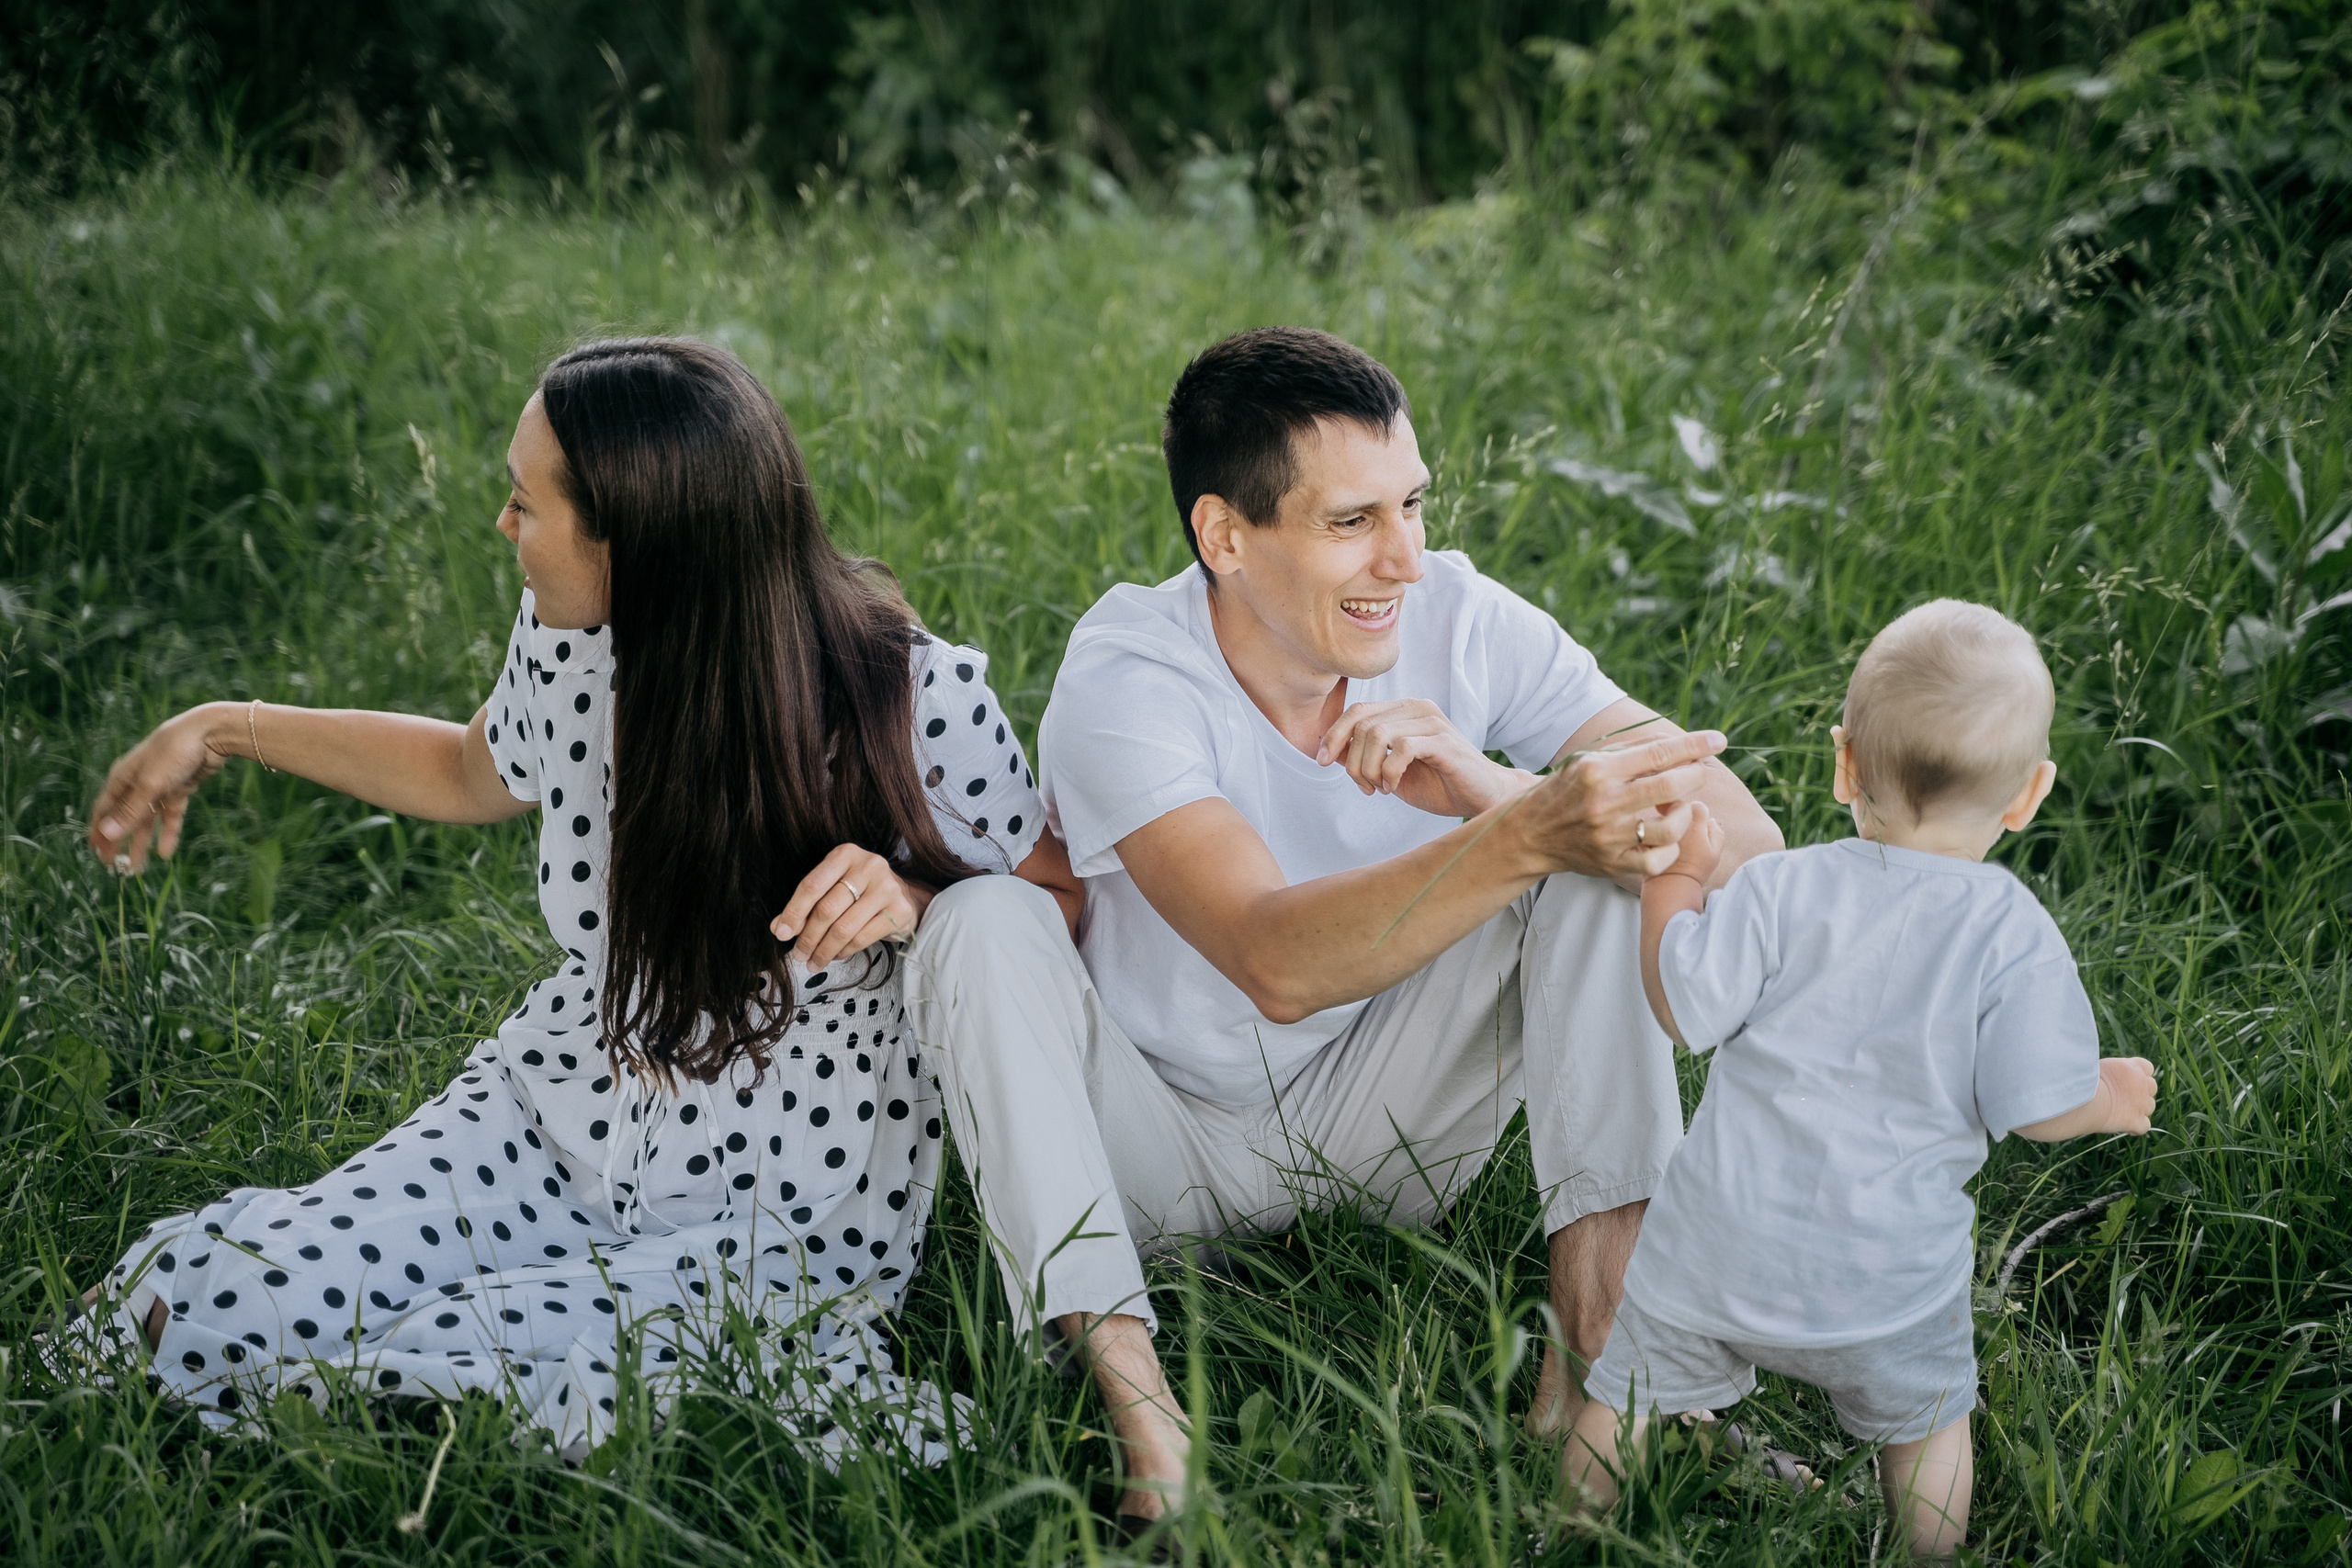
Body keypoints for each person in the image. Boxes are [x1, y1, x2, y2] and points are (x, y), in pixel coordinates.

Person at [68, 337, 1084, 1461]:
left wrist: (909, 892)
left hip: (778, 1197)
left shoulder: (906, 691)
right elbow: (468, 768)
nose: (504, 526)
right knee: (265, 1286)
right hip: (554, 1111)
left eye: (524, 501)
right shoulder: (570, 642)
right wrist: (225, 726)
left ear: (639, 546)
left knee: (464, 1362)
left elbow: (1057, 905)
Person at [901, 325, 1781, 1524]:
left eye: (1412, 504)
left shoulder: (1459, 612)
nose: (1405, 558)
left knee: (1588, 871)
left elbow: (1745, 856)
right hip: (1150, 1143)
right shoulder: (1127, 676)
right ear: (1225, 535)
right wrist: (1523, 830)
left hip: (1381, 1121)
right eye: (1352, 520)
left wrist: (1486, 787)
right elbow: (1270, 956)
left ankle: (1602, 1362)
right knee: (982, 922)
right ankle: (1146, 1424)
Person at [1562, 599, 2160, 1560]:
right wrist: (2109, 1094)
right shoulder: (2011, 933)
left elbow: (1682, 1007)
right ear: (2029, 795)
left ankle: (1570, 1531)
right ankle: (1926, 1553)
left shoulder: (1777, 887)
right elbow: (2039, 1105)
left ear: (1843, 762)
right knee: (1928, 1425)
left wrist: (1675, 881)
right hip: (1886, 1278)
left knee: (1625, 1390)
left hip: (1715, 1247)